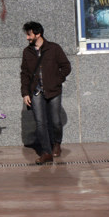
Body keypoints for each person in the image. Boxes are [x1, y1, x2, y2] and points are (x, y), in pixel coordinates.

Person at [20, 21, 71, 164]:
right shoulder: (27, 52)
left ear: (38, 34)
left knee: (55, 121)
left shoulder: (54, 48)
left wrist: (57, 80)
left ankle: (56, 143)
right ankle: (46, 152)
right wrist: (25, 93)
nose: (27, 37)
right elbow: (24, 73)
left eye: (29, 34)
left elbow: (66, 66)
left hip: (54, 90)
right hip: (36, 92)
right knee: (40, 122)